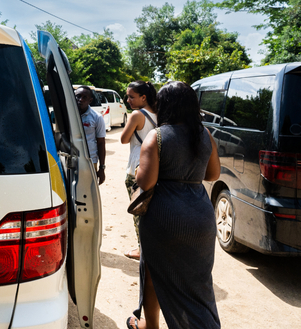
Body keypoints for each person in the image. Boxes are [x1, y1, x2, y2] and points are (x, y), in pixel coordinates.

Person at [126, 81, 222, 329]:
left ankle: (151, 326)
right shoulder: (205, 134)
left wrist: (139, 170)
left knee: (153, 273)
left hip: (164, 215)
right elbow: (213, 174)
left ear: (165, 105)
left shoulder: (157, 136)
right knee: (198, 278)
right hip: (200, 215)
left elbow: (147, 182)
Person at [119, 81, 158, 261]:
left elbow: (124, 139)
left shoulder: (137, 115)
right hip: (154, 168)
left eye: (131, 97)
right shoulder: (159, 113)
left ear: (143, 97)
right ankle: (151, 246)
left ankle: (142, 249)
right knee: (151, 212)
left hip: (136, 168)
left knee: (138, 210)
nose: (128, 100)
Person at [75, 86, 106, 184]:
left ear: (90, 100)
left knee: (89, 189)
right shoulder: (67, 115)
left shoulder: (97, 117)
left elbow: (101, 143)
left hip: (89, 161)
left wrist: (101, 168)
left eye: (85, 97)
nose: (80, 100)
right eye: (78, 96)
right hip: (71, 160)